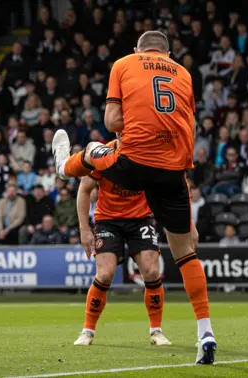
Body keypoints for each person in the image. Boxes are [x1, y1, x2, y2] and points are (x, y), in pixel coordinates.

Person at [52, 31, 215, 363]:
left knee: (95, 150)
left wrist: (139, 122)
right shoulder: (183, 73)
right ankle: (206, 333)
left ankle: (62, 166)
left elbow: (113, 122)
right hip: (172, 170)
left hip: (135, 162)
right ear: (168, 52)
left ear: (137, 50)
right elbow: (187, 127)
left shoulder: (124, 63)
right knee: (185, 255)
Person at [73, 141, 170, 346]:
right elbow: (84, 190)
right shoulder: (102, 153)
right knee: (105, 274)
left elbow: (167, 189)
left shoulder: (148, 152)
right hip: (108, 221)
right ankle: (87, 330)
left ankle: (156, 331)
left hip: (141, 219)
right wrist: (84, 229)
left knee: (151, 272)